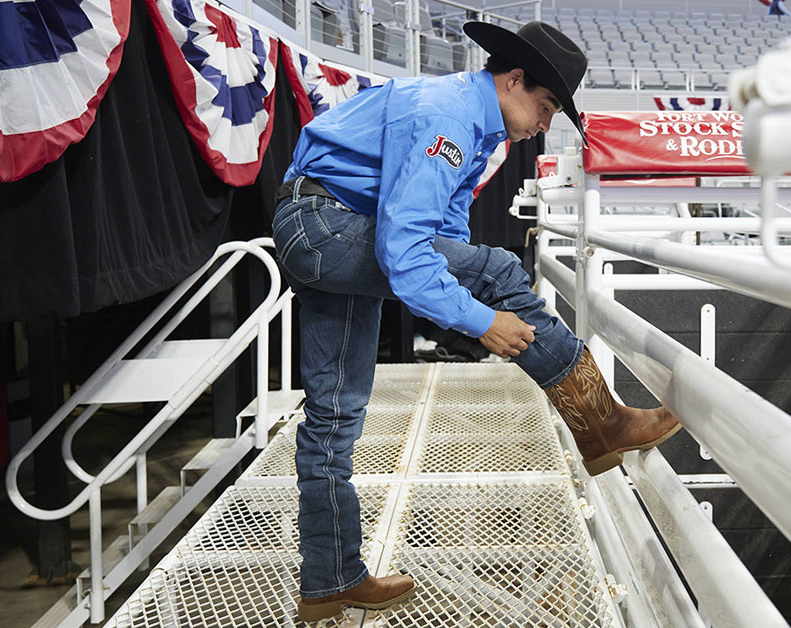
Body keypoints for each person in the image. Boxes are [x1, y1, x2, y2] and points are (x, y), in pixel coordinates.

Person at [270, 21, 683, 622]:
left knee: (334, 416)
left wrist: (469, 304)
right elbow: (409, 253)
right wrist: (480, 318)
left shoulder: (474, 127)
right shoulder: (450, 115)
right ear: (513, 80)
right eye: (544, 107)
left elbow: (442, 237)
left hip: (328, 226)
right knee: (494, 269)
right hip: (326, 227)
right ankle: (601, 423)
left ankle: (328, 579)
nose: (545, 125)